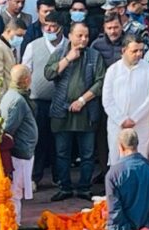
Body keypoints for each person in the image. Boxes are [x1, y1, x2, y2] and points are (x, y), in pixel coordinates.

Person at [44, 21, 104, 201]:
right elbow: (49, 74)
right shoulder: (60, 53)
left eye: (86, 36)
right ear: (70, 36)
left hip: (86, 112)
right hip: (62, 112)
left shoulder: (94, 56)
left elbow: (100, 81)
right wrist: (68, 58)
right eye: (79, 36)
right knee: (62, 153)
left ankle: (85, 187)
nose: (83, 39)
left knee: (87, 154)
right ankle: (65, 187)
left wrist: (82, 100)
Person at [102, 35, 149, 166]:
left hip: (141, 123)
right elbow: (107, 99)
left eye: (141, 51)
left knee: (141, 159)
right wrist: (122, 119)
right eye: (134, 51)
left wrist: (134, 119)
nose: (138, 54)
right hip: (117, 124)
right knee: (117, 159)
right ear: (124, 51)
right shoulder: (113, 71)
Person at [22, 15, 63, 187]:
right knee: (38, 140)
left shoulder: (68, 46)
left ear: (60, 27)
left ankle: (59, 177)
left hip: (61, 101)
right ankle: (35, 177)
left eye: (53, 26)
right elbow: (25, 70)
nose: (50, 29)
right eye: (46, 26)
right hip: (38, 101)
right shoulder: (33, 46)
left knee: (59, 142)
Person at [1, 65, 38, 223]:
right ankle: (13, 227)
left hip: (23, 151)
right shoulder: (16, 100)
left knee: (16, 192)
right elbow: (9, 130)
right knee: (15, 193)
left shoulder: (13, 95)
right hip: (19, 153)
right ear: (27, 80)